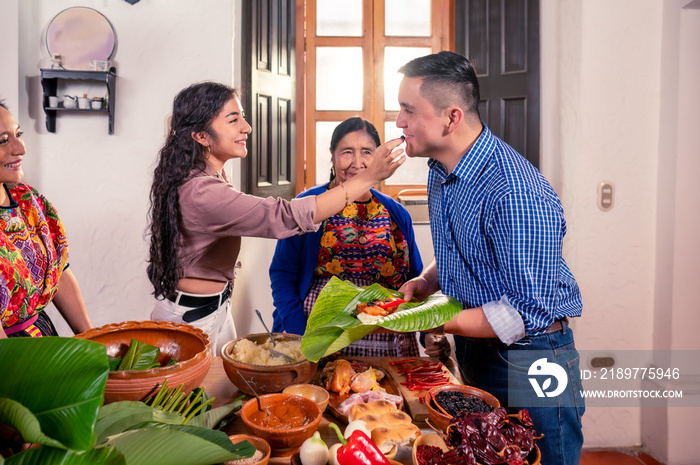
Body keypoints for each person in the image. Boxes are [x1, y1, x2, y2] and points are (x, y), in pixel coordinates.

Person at [395, 52, 585, 464]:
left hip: (529, 358)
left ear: (452, 117)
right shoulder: (441, 169)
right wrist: (428, 281)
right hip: (477, 346)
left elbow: (525, 311)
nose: (398, 122)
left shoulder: (513, 190)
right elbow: (467, 252)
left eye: (409, 110)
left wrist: (429, 317)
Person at [147, 83, 405, 355]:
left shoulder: (209, 174)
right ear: (201, 136)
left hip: (214, 307)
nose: (246, 127)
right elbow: (283, 218)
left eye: (242, 117)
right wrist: (370, 176)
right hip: (193, 316)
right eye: (234, 120)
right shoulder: (202, 191)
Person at [269, 117, 423, 357]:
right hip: (319, 335)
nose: (358, 162)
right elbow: (283, 275)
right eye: (347, 152)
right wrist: (302, 335)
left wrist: (428, 332)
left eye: (367, 152)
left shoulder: (396, 213)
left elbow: (416, 280)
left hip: (387, 339)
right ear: (332, 155)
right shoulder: (309, 205)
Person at [0, 99, 91, 338]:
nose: (20, 148)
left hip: (44, 339)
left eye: (18, 134)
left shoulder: (29, 201)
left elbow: (57, 269)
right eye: (2, 140)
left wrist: (93, 342)